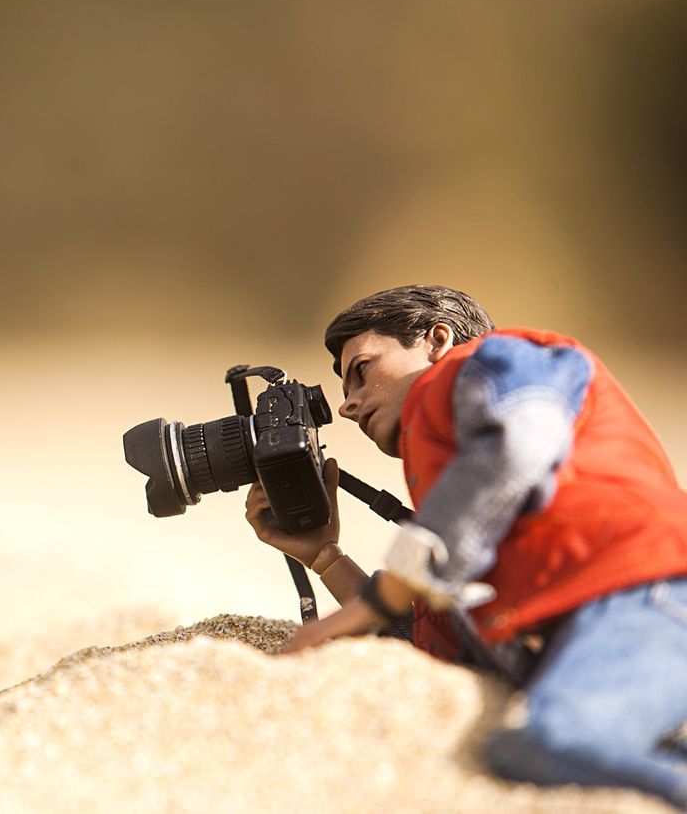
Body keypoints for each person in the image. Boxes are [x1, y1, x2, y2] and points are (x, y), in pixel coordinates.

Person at [244, 284, 687, 808]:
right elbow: (423, 644)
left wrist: (390, 587)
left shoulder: (494, 362)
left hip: (644, 591)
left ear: (437, 340)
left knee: (554, 742)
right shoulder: (473, 514)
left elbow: (517, 443)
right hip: (621, 616)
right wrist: (326, 557)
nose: (347, 404)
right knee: (544, 745)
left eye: (361, 369)